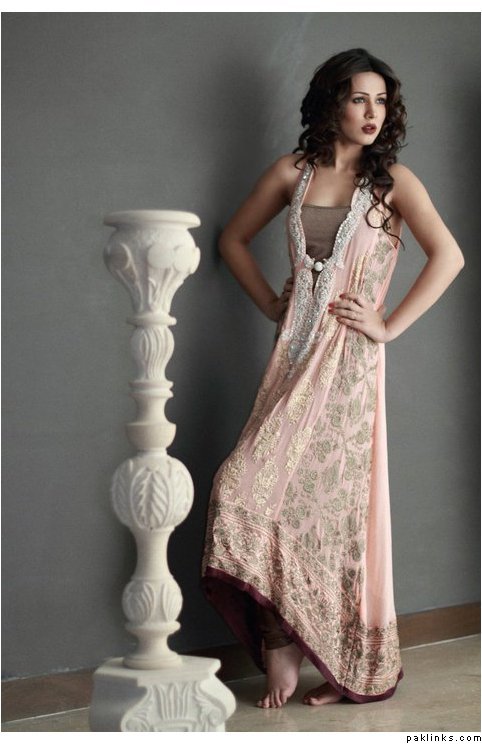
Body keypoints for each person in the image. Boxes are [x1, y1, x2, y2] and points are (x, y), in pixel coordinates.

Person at [201, 48, 464, 710]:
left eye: (381, 101)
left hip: (349, 368)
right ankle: (282, 643)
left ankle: (336, 660)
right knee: (242, 489)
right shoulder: (292, 172)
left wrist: (388, 325)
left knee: (335, 516)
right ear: (331, 104)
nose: (373, 113)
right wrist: (273, 303)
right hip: (292, 358)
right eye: (358, 99)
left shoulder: (394, 182)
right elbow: (233, 240)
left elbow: (450, 256)